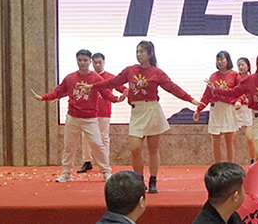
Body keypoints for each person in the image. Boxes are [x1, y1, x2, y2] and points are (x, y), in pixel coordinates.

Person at [81, 40, 202, 193]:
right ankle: (139, 179)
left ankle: (153, 180)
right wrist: (93, 86)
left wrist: (190, 99)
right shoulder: (130, 70)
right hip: (137, 112)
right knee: (135, 148)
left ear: (150, 54)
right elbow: (111, 82)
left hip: (152, 110)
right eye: (137, 51)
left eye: (142, 51)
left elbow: (172, 87)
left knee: (153, 149)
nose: (138, 55)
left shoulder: (157, 72)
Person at [31, 49, 120, 183]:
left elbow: (106, 93)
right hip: (72, 117)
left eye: (85, 60)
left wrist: (117, 99)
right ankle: (66, 173)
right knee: (69, 146)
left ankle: (106, 172)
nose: (82, 63)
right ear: (77, 61)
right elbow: (58, 91)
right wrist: (43, 97)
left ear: (89, 61)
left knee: (97, 144)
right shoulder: (70, 78)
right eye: (80, 60)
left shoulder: (96, 78)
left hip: (90, 119)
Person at [79, 52, 127, 174]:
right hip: (89, 112)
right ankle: (87, 161)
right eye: (95, 62)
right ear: (91, 63)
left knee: (103, 137)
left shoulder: (110, 77)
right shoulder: (88, 76)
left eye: (100, 62)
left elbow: (122, 88)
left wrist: (128, 93)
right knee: (85, 136)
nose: (97, 65)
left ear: (104, 63)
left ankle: (104, 163)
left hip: (104, 111)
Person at [194, 51, 242, 163]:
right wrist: (198, 110)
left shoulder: (235, 75)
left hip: (228, 109)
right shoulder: (213, 76)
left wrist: (239, 101)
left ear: (228, 60)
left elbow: (242, 91)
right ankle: (217, 166)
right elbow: (207, 95)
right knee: (215, 140)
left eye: (222, 59)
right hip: (216, 109)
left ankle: (230, 166)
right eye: (218, 60)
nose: (220, 62)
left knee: (229, 141)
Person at [234, 57, 256, 164]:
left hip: (249, 110)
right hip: (237, 109)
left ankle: (253, 160)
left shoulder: (253, 79)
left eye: (243, 65)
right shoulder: (235, 79)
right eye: (239, 65)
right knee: (232, 138)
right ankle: (231, 161)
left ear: (248, 66)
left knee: (250, 138)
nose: (241, 67)